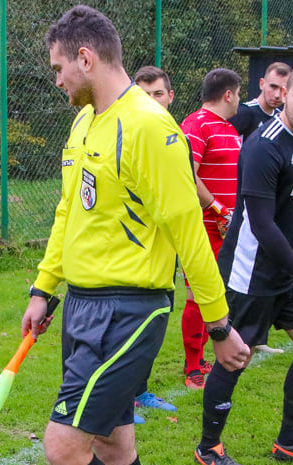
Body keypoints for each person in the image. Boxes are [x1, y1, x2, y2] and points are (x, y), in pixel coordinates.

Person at [24, 6, 249, 465]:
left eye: (58, 68)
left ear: (86, 57)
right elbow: (67, 213)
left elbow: (188, 234)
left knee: (63, 446)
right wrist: (43, 288)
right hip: (80, 305)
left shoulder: (151, 127)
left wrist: (219, 326)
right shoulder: (83, 123)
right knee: (115, 446)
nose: (57, 81)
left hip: (129, 311)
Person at [195, 61, 293, 465]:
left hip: (288, 271)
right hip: (250, 272)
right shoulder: (264, 145)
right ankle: (209, 448)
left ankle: (290, 442)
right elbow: (261, 224)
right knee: (235, 357)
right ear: (284, 94)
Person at [178, 68, 242, 389]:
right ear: (228, 94)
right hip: (202, 226)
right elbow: (187, 174)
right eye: (239, 94)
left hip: (226, 228)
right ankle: (192, 368)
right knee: (196, 296)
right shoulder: (196, 125)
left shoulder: (229, 129)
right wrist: (217, 209)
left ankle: (203, 356)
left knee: (216, 296)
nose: (239, 101)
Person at [132, 65, 179, 415]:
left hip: (166, 257)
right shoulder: (125, 136)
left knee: (153, 331)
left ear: (170, 97)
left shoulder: (175, 139)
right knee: (127, 334)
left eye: (157, 94)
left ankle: (140, 389)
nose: (151, 101)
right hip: (130, 259)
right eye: (143, 94)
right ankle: (121, 400)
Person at [229, 61, 290, 140]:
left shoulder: (280, 118)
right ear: (262, 84)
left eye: (282, 90)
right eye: (273, 87)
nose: (277, 95)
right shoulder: (244, 113)